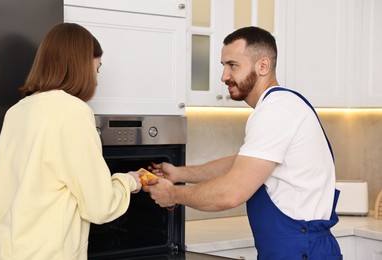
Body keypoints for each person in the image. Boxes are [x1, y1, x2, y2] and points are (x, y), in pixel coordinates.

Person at [143, 26, 342, 259]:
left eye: (232, 65)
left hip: (301, 250)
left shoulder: (276, 110)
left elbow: (231, 193)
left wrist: (173, 195)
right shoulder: (280, 105)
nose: (224, 76)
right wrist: (179, 174)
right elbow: (242, 164)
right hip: (295, 248)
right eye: (223, 65)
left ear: (263, 66)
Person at [0, 23, 142, 260]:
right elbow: (100, 206)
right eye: (97, 69)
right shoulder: (74, 112)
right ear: (81, 66)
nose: (96, 80)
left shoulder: (17, 112)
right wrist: (128, 182)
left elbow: (1, 195)